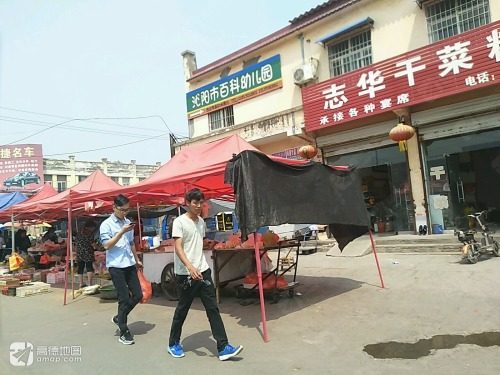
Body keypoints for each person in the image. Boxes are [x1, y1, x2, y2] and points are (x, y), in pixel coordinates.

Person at [167, 188, 243, 361]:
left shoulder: (201, 222)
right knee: (182, 309)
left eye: (201, 203)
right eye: (195, 203)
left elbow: (196, 243)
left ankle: (223, 347)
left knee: (212, 308)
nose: (198, 206)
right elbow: (178, 248)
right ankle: (173, 343)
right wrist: (189, 267)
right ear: (187, 203)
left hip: (203, 271)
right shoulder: (179, 222)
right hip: (185, 274)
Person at [100, 194, 143, 345]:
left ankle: (120, 316)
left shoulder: (128, 223)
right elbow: (106, 245)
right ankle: (123, 331)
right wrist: (121, 232)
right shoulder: (106, 225)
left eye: (127, 210)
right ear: (114, 208)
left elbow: (131, 243)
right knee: (123, 297)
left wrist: (136, 259)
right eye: (122, 210)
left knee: (138, 294)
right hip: (115, 265)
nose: (125, 213)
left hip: (129, 263)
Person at [74, 219, 98, 288]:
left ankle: (81, 283)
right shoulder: (89, 233)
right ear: (91, 226)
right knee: (89, 267)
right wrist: (99, 248)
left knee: (80, 267)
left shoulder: (79, 232)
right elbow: (92, 243)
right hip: (88, 251)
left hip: (79, 252)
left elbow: (76, 243)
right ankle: (89, 283)